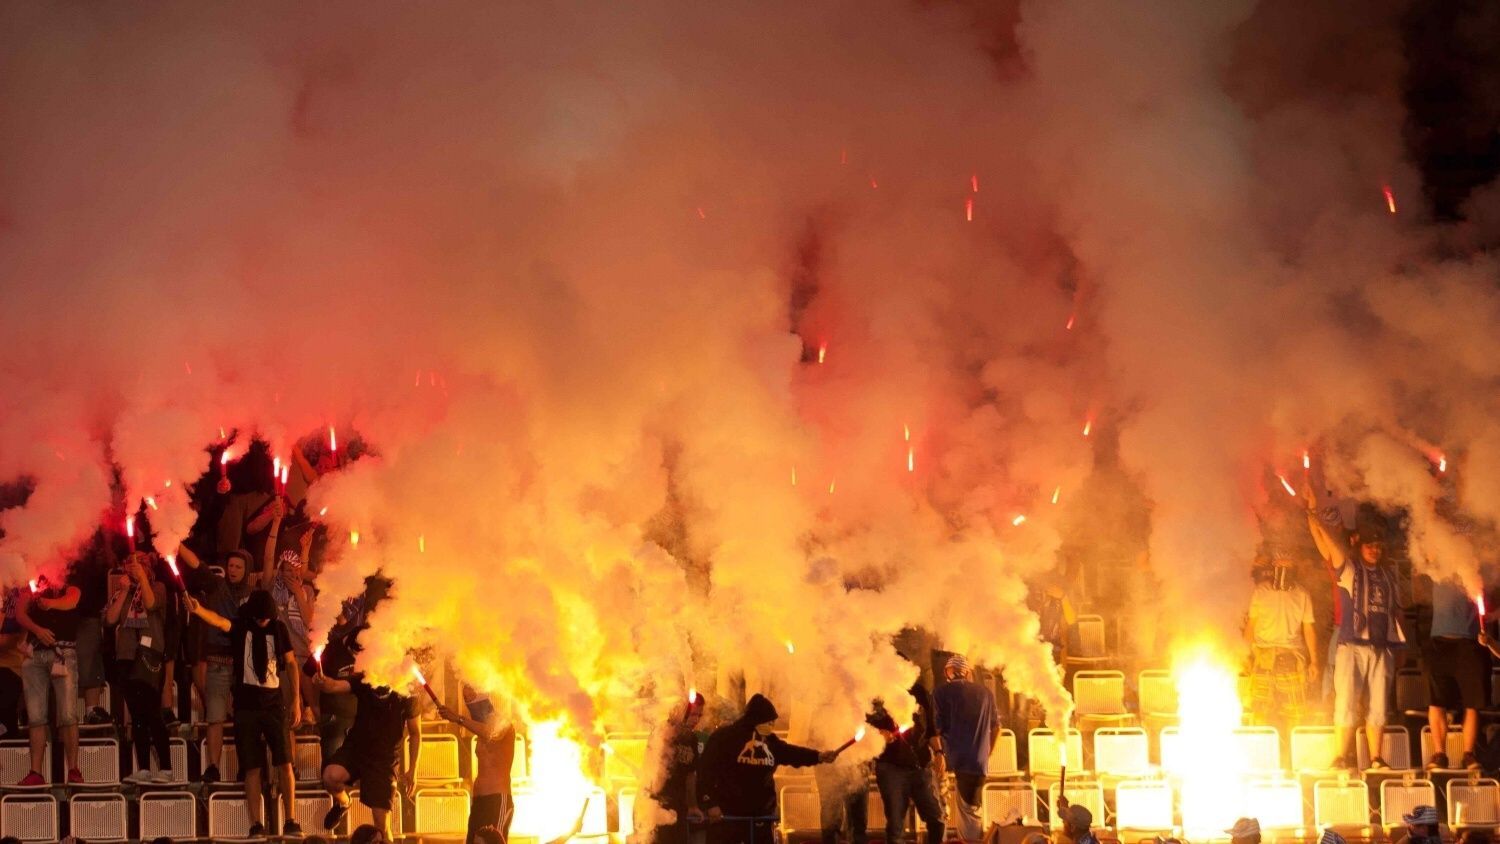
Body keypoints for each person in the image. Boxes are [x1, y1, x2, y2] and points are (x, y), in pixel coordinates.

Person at [186, 589, 302, 837]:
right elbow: (219, 620)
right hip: (246, 706)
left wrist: (296, 701)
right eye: (259, 617)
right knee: (251, 767)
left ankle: (291, 819)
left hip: (273, 703)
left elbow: (291, 663)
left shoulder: (278, 629)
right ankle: (255, 824)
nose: (263, 621)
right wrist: (198, 610)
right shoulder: (242, 627)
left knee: (285, 762)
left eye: (266, 617)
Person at [1307, 502, 1405, 769]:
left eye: (1378, 546)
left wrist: (1398, 648)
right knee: (1346, 703)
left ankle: (1376, 759)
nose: (1375, 549)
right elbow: (1334, 551)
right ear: (1360, 546)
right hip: (1351, 645)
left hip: (1381, 648)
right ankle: (1340, 757)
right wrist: (1319, 524)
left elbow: (1396, 612)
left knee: (1379, 707)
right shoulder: (1349, 570)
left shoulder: (1388, 576)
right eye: (1370, 545)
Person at [696, 693, 838, 844]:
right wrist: (709, 803)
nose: (771, 726)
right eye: (769, 722)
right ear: (756, 720)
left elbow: (791, 753)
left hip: (761, 817)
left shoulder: (769, 741)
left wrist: (818, 756)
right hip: (728, 818)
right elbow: (705, 771)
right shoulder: (724, 738)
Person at [313, 670, 421, 842]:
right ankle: (343, 803)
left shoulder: (407, 690)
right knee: (330, 776)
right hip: (357, 747)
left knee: (381, 825)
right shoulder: (366, 678)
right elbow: (334, 685)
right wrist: (323, 682)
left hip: (384, 759)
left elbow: (415, 733)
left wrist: (413, 769)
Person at [178, 545, 252, 782]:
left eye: (238, 567)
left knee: (244, 718)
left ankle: (246, 766)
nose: (232, 570)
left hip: (244, 664)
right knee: (215, 717)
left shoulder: (254, 593)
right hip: (218, 661)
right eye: (230, 565)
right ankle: (213, 766)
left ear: (246, 570)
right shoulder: (218, 586)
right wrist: (176, 543)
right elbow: (195, 563)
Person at [105, 553, 173, 783]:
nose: (133, 566)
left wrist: (142, 578)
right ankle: (143, 767)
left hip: (149, 655)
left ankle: (166, 768)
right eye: (130, 563)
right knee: (137, 716)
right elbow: (110, 619)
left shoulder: (158, 587)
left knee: (152, 712)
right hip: (126, 655)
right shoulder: (121, 590)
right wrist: (123, 591)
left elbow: (152, 603)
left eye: (141, 562)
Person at [15, 572, 83, 785]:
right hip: (34, 654)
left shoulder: (70, 579)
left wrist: (48, 603)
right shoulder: (34, 580)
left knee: (68, 714)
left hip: (63, 653)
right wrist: (37, 630)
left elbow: (72, 601)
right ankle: (35, 772)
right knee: (35, 717)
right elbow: (19, 613)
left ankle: (73, 769)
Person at [1244, 556, 1319, 729]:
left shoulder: (1302, 594)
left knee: (1296, 714)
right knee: (1259, 711)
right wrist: (1247, 657)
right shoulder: (1260, 591)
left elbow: (1308, 629)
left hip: (1291, 658)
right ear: (1274, 566)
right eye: (1280, 563)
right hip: (1264, 657)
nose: (1284, 565)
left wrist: (1314, 661)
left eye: (1288, 562)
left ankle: (1294, 751)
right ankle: (1260, 749)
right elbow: (1251, 627)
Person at [932, 655, 999, 843]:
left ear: (947, 672)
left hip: (945, 759)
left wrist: (938, 753)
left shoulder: (940, 692)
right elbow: (996, 728)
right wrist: (987, 754)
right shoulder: (986, 693)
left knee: (940, 808)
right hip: (975, 762)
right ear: (968, 673)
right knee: (970, 813)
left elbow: (934, 729)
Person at [438, 686, 516, 844]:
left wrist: (458, 718)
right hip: (479, 801)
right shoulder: (481, 730)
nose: (471, 703)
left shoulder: (505, 726)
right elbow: (483, 727)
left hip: (497, 800)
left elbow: (491, 732)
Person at [1424, 576, 1487, 769]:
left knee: (1472, 702)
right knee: (1436, 701)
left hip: (1470, 641)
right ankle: (1440, 754)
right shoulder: (1438, 564)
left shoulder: (1478, 564)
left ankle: (1468, 754)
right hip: (1439, 640)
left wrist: (1489, 619)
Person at [869, 696, 944, 844]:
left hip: (921, 766)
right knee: (896, 824)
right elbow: (862, 727)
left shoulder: (919, 691)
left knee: (936, 818)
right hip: (891, 767)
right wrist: (878, 734)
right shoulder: (874, 692)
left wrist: (939, 752)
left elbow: (930, 728)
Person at [647, 693, 704, 844]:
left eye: (699, 715)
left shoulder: (692, 739)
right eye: (693, 715)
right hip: (656, 805)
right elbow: (652, 772)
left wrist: (692, 805)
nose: (696, 720)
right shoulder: (663, 732)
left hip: (679, 806)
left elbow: (691, 775)